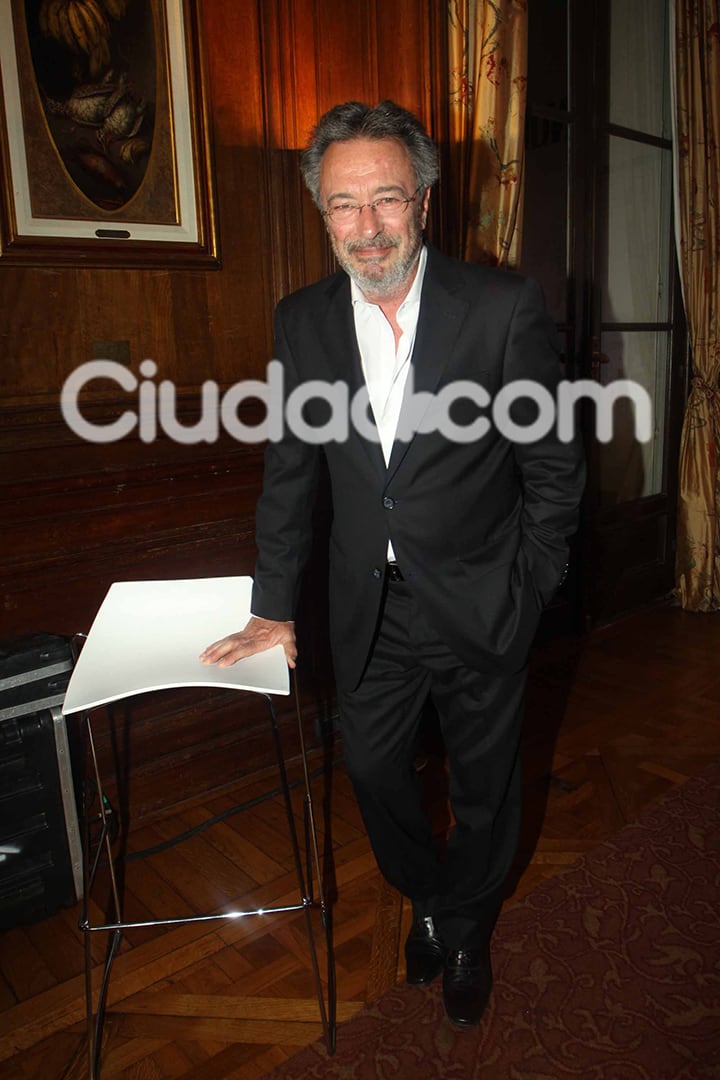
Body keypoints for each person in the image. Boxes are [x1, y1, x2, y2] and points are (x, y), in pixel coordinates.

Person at [201, 100, 585, 1027]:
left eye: (384, 200)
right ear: (321, 212)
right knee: (374, 774)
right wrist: (273, 604)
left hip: (484, 599)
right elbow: (290, 473)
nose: (366, 227)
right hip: (366, 612)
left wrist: (531, 581)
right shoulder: (303, 323)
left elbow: (555, 464)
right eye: (343, 204)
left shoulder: (501, 308)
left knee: (488, 789)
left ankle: (466, 927)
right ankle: (431, 896)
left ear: (421, 199)